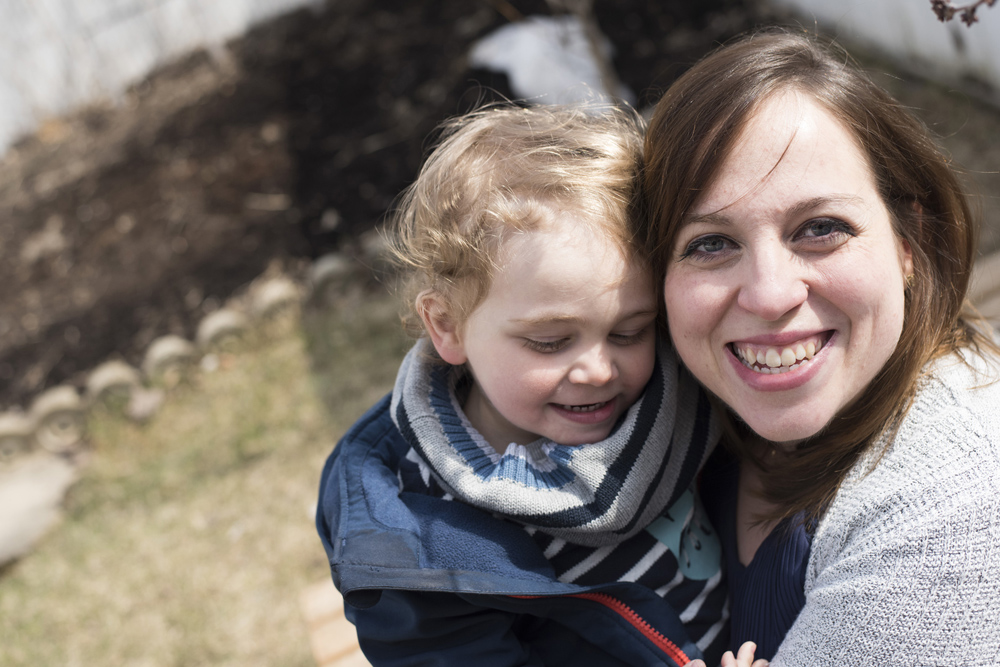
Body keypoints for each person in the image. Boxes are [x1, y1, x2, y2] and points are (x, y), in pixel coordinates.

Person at [315, 104, 741, 666]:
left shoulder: (673, 387)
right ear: (446, 325)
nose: (599, 370)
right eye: (549, 342)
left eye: (630, 331)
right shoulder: (414, 536)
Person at [640, 28, 1000, 665]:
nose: (770, 294)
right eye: (710, 244)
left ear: (908, 240)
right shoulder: (669, 408)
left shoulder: (956, 505)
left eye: (821, 229)